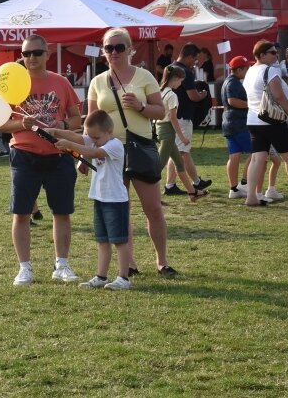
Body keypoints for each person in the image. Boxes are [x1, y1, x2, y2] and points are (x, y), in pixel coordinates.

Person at [87, 28, 177, 278]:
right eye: (109, 48)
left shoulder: (144, 76)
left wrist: (141, 106)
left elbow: (161, 112)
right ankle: (130, 263)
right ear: (103, 51)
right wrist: (88, 153)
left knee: (153, 208)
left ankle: (162, 261)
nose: (114, 52)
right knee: (120, 208)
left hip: (139, 146)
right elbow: (92, 123)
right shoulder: (98, 81)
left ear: (130, 49)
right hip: (110, 151)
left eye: (119, 47)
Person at [0, 35, 82, 285]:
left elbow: (77, 119)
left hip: (58, 155)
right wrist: (21, 123)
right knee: (21, 213)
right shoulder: (12, 83)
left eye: (36, 52)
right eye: (26, 53)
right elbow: (0, 123)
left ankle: (62, 265)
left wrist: (62, 124)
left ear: (47, 53)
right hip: (24, 154)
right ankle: (24, 268)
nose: (30, 58)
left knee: (62, 212)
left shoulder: (60, 82)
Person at [49, 110, 132, 290]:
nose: (93, 141)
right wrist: (56, 132)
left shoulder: (115, 145)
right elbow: (77, 137)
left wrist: (68, 145)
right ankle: (101, 276)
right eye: (91, 137)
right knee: (102, 240)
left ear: (109, 131)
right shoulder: (97, 140)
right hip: (100, 199)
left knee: (119, 240)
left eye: (96, 137)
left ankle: (123, 278)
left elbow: (93, 153)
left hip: (116, 201)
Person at [243, 40, 288, 206]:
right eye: (272, 52)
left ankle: (251, 197)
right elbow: (279, 96)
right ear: (262, 55)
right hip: (272, 120)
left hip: (253, 120)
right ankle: (252, 196)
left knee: (258, 159)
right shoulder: (270, 71)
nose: (276, 55)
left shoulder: (250, 71)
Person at [163, 43, 212, 196]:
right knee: (180, 152)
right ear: (189, 56)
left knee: (181, 151)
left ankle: (196, 182)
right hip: (182, 117)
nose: (195, 63)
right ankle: (171, 185)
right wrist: (203, 94)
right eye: (195, 59)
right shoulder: (186, 72)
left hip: (172, 115)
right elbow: (193, 96)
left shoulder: (169, 68)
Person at [157, 65, 207, 201]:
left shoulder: (160, 91)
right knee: (159, 165)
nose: (181, 84)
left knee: (179, 163)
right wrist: (182, 137)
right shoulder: (172, 95)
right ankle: (153, 196)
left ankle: (192, 193)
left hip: (161, 128)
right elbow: (173, 118)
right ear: (176, 79)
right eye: (181, 81)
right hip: (167, 130)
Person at [221, 56, 253, 199]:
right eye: (246, 68)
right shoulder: (233, 83)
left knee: (234, 156)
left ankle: (233, 189)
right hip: (238, 124)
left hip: (229, 123)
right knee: (257, 153)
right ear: (239, 69)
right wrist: (250, 104)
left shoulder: (228, 81)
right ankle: (244, 183)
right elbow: (232, 101)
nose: (248, 70)